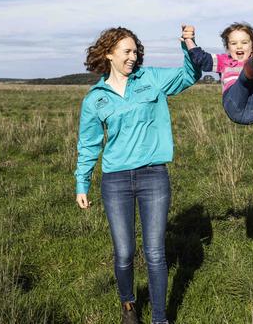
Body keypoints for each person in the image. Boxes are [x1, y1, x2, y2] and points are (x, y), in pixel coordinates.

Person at [75, 26, 201, 324]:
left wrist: (188, 44)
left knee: (155, 253)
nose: (133, 57)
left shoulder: (152, 79)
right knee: (124, 253)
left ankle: (160, 318)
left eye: (135, 51)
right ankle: (129, 307)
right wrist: (82, 183)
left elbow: (189, 75)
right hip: (115, 181)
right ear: (109, 54)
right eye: (126, 52)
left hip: (153, 177)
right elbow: (89, 143)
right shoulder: (95, 98)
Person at [181, 18, 253, 125]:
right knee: (245, 80)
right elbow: (201, 58)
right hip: (234, 106)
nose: (239, 46)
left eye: (244, 42)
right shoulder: (223, 61)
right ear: (227, 47)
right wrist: (188, 40)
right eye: (233, 43)